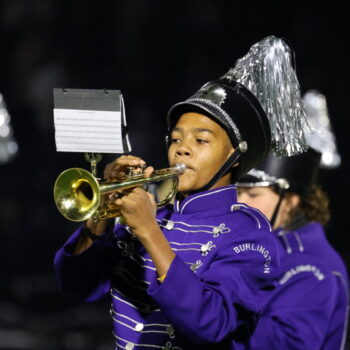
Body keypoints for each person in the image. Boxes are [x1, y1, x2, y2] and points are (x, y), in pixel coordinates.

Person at [54, 36, 309, 349]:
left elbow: (211, 324)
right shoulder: (152, 214)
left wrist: (149, 232)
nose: (182, 150)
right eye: (175, 140)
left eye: (201, 141)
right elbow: (76, 284)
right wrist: (99, 217)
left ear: (235, 157)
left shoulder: (250, 235)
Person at [237, 91, 349, 349]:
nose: (240, 202)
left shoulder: (310, 264)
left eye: (253, 194)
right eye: (238, 192)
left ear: (291, 201)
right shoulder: (265, 246)